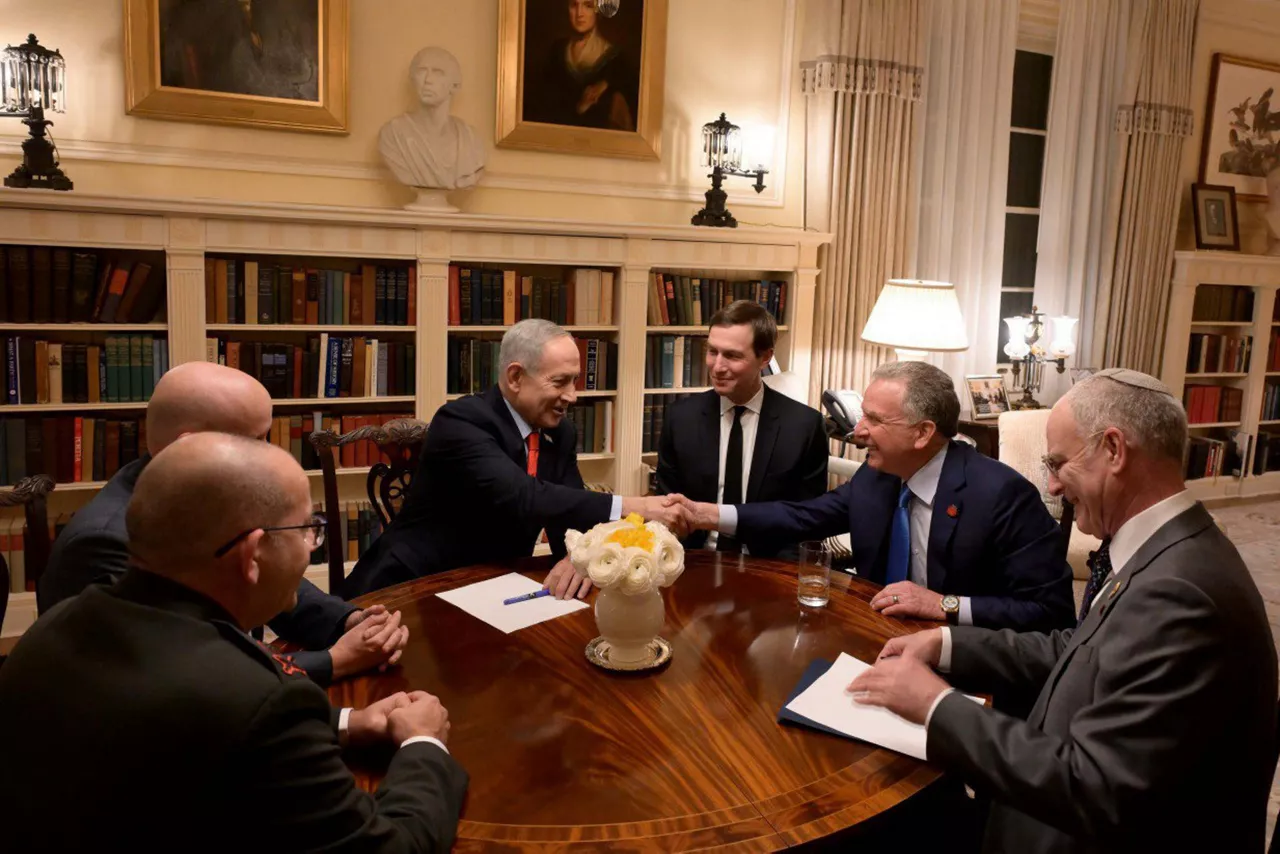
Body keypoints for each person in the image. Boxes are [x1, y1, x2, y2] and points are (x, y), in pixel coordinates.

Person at [849, 369, 1277, 853]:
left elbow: (1096, 786)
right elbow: (1079, 648)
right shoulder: (1163, 550)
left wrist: (935, 705)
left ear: (1114, 451)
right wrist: (946, 643)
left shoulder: (1182, 591)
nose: (1052, 487)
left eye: (1058, 464)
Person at [0, 433, 469, 851]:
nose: (311, 545)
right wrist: (423, 744)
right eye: (307, 529)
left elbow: (186, 723)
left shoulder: (58, 626)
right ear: (252, 554)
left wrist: (349, 721)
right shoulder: (260, 702)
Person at [38, 362, 406, 685]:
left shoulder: (207, 492)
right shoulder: (111, 542)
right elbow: (184, 674)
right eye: (257, 440)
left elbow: (264, 574)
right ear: (189, 446)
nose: (272, 454)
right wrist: (336, 660)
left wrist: (346, 621)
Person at [675, 361, 1075, 631]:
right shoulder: (877, 478)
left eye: (875, 420)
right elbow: (802, 516)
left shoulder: (1002, 495)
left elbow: (1051, 612)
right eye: (862, 414)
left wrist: (946, 605)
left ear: (923, 433)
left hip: (963, 661)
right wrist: (707, 515)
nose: (857, 431)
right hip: (874, 638)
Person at [346, 319, 688, 599]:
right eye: (560, 382)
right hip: (412, 587)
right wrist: (632, 506)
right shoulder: (460, 421)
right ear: (515, 377)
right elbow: (523, 495)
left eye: (575, 381)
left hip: (498, 586)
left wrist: (577, 556)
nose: (572, 396)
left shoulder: (560, 433)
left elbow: (566, 515)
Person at [655, 300, 828, 557]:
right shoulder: (680, 418)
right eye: (713, 351)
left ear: (765, 357)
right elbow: (667, 508)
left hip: (771, 567)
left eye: (733, 355)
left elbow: (808, 520)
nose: (718, 366)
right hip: (695, 562)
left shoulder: (804, 426)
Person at [379, 46, 486, 191]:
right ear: (412, 79)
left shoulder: (471, 140)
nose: (428, 80)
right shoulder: (393, 134)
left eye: (438, 72)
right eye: (421, 71)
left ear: (455, 86)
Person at [524, 0, 638, 131]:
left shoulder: (616, 60)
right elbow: (540, 111)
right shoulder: (557, 51)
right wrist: (579, 107)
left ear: (598, 10)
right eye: (574, 5)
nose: (579, 14)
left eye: (588, 6)